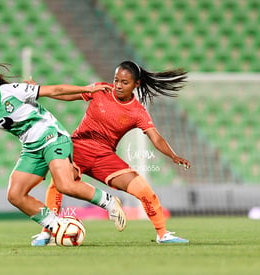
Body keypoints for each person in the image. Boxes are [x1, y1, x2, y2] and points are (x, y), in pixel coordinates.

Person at [0, 64, 126, 237]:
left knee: (65, 185)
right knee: (15, 195)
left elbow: (53, 91)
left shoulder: (12, 91)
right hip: (32, 149)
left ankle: (108, 201)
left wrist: (87, 89)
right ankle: (56, 227)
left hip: (53, 138)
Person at [31, 60, 190, 245]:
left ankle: (163, 234)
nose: (118, 86)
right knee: (58, 183)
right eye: (116, 80)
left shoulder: (138, 112)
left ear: (136, 84)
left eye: (124, 82)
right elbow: (68, 95)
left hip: (104, 157)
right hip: (78, 148)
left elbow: (156, 138)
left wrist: (173, 155)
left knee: (145, 191)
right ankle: (46, 232)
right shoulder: (101, 90)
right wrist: (40, 92)